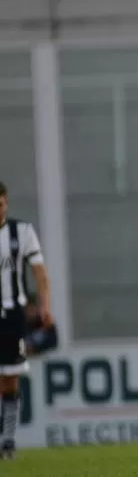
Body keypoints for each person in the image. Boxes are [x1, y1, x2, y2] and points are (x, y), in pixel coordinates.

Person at [0, 182, 54, 460]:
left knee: (10, 379)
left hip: (12, 316)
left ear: (6, 202)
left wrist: (46, 306)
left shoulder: (22, 232)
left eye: (0, 204)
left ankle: (7, 441)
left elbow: (41, 274)